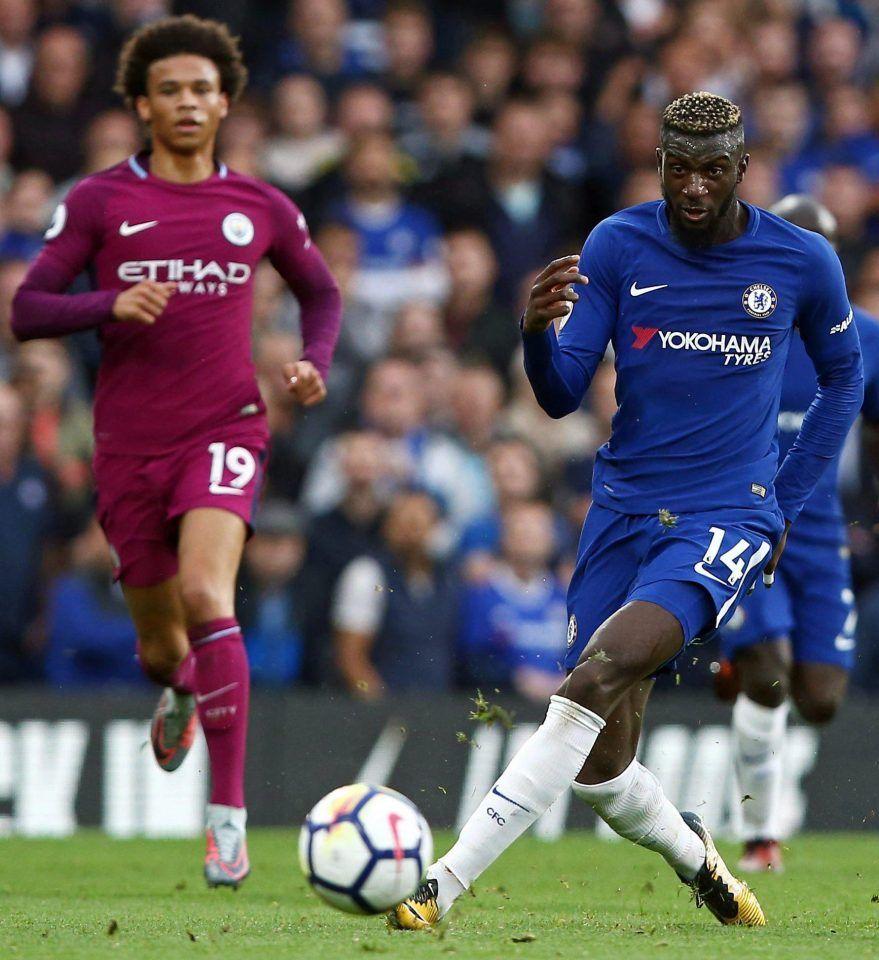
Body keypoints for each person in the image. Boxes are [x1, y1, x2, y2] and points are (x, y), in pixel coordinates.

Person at [390, 91, 863, 931]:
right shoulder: (617, 244)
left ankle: (440, 888)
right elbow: (560, 396)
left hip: (727, 515)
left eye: (711, 170)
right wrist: (535, 335)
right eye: (677, 168)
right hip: (622, 510)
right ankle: (699, 859)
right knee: (601, 770)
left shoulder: (799, 260)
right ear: (659, 166)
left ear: (740, 169)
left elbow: (843, 379)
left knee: (594, 676)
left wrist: (780, 502)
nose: (692, 187)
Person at [10, 15, 342, 888]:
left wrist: (314, 362)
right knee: (164, 645)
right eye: (170, 90)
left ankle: (225, 820)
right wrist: (106, 303)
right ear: (143, 107)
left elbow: (321, 291)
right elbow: (29, 309)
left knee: (208, 590)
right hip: (127, 447)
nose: (188, 102)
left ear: (224, 101)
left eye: (202, 89)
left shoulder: (259, 205)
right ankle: (182, 687)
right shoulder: (98, 202)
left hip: (227, 426)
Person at [715, 194, 879, 873]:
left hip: (816, 537)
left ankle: (733, 658)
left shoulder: (862, 335)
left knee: (819, 700)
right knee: (768, 677)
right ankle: (759, 839)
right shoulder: (737, 322)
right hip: (741, 525)